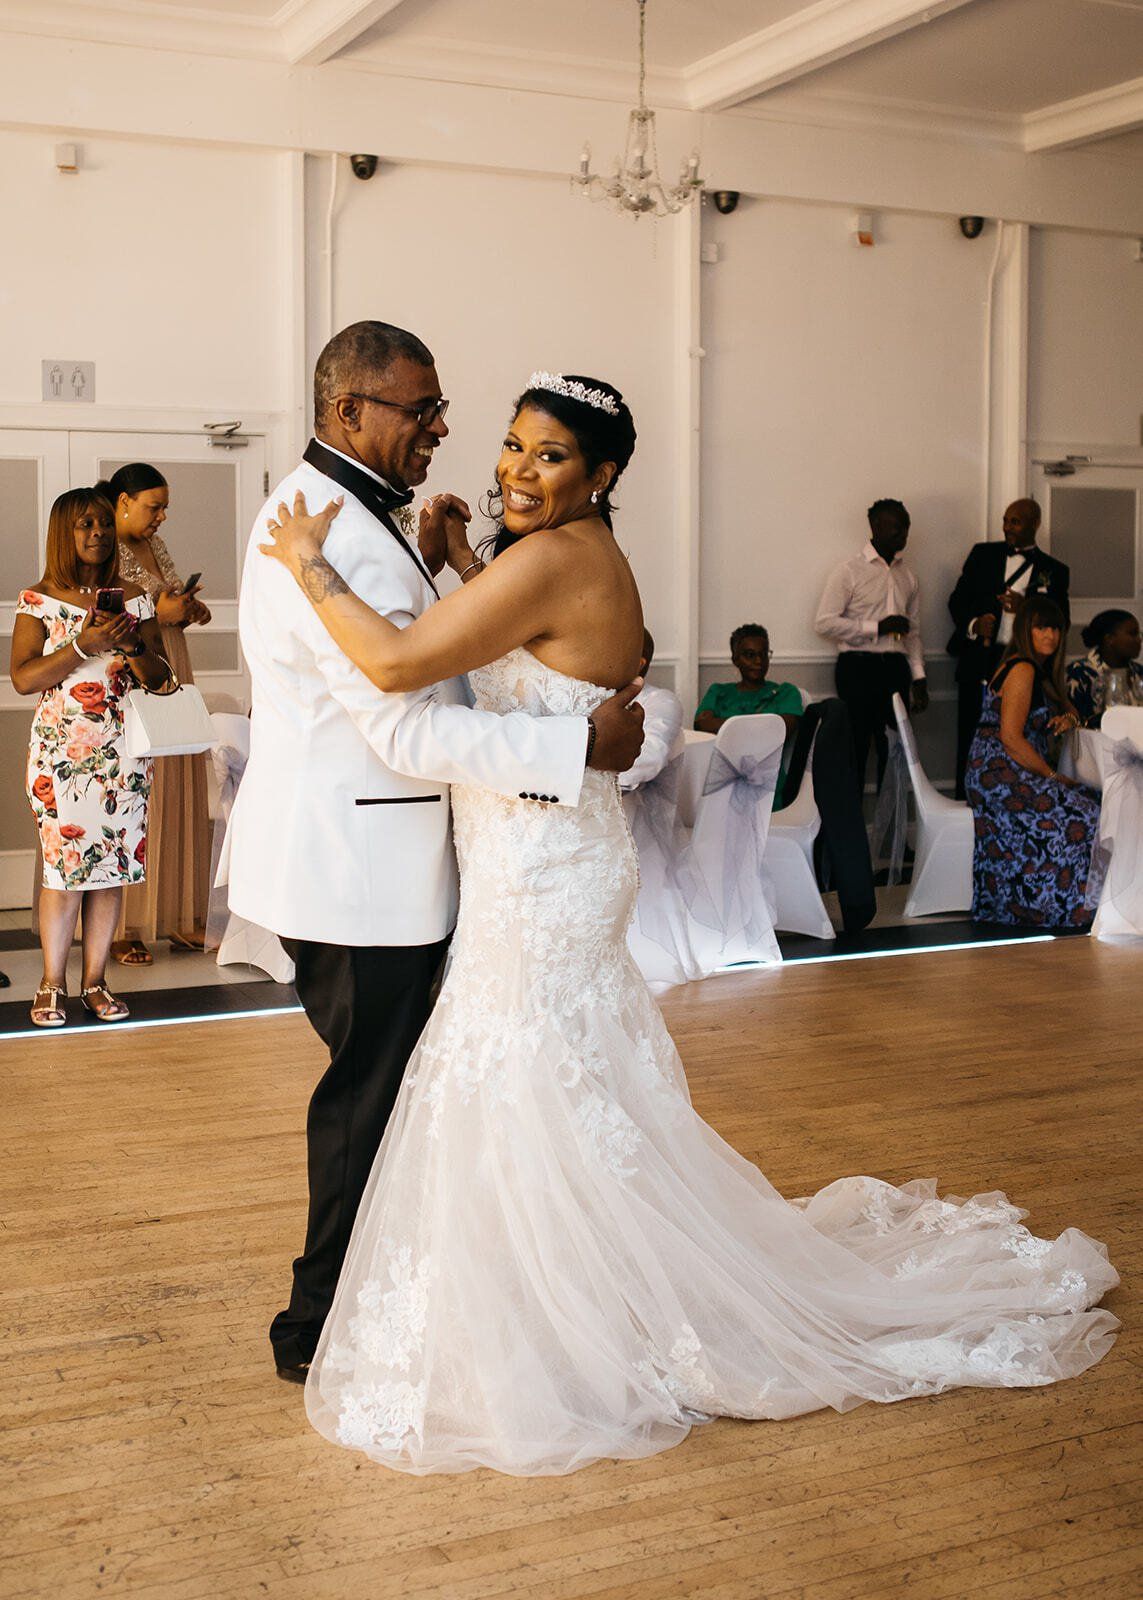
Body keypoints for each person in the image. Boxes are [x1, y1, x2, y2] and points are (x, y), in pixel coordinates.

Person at [260, 372, 1116, 1478]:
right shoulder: (559, 560)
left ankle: (573, 1320)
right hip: (544, 862)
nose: (518, 468)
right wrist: (461, 560)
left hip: (543, 873)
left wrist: (307, 563)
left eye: (549, 455)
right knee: (552, 1083)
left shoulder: (562, 560)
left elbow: (394, 664)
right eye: (514, 446)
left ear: (602, 474)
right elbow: (532, 647)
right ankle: (569, 1292)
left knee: (528, 1079)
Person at [223, 326, 646, 1388]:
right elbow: (406, 724)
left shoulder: (353, 518)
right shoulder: (323, 536)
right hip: (364, 867)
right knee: (377, 1100)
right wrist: (571, 745)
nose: (452, 433)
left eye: (534, 448)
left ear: (597, 478)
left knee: (448, 1089)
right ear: (350, 413)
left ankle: (450, 1297)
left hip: (454, 860)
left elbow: (481, 641)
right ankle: (318, 1327)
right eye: (425, 410)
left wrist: (445, 554)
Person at [11, 488, 170, 1026]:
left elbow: (162, 680)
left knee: (110, 869)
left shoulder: (135, 598)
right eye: (85, 524)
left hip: (124, 754)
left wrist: (131, 646)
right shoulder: (38, 600)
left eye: (104, 522)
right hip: (61, 753)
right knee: (63, 870)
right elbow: (23, 677)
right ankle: (51, 983)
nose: (98, 532)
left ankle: (95, 981)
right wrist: (82, 646)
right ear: (64, 531)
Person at [102, 463, 213, 964]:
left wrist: (187, 610)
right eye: (154, 506)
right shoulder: (101, 543)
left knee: (173, 785)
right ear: (122, 501)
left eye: (165, 506)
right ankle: (124, 925)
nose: (162, 517)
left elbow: (161, 600)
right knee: (136, 791)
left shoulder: (153, 545)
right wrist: (154, 612)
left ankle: (172, 916)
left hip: (170, 658)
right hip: (131, 667)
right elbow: (101, 610)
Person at [964, 597, 1099, 928]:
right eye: (1042, 627)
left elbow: (1064, 713)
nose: (1050, 635)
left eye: (1055, 628)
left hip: (1011, 766)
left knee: (1091, 803)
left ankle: (1052, 901)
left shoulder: (1041, 672)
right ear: (1026, 629)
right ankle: (1058, 906)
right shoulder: (1022, 668)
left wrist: (1067, 718)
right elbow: (1010, 737)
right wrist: (1052, 776)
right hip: (998, 771)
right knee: (1084, 813)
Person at [948, 498, 1069, 798]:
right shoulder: (982, 554)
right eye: (1005, 520)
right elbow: (957, 601)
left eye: (1015, 522)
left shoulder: (1054, 570)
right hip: (981, 660)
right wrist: (975, 624)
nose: (1007, 527)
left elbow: (1060, 619)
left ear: (1035, 524)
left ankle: (1016, 799)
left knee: (1020, 736)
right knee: (970, 739)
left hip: (1024, 663)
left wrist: (1026, 606)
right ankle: (968, 806)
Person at [815, 500, 928, 795]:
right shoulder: (848, 571)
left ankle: (892, 840)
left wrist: (919, 676)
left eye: (906, 527)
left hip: (896, 669)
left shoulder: (909, 576)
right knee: (856, 751)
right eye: (896, 527)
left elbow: (913, 631)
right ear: (876, 527)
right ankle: (849, 839)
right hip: (857, 668)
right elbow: (824, 623)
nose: (903, 534)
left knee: (895, 753)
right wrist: (877, 627)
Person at [694, 624, 801, 808]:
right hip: (720, 783)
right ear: (736, 659)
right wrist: (760, 726)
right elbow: (702, 725)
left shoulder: (785, 692)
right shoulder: (719, 692)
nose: (759, 661)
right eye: (750, 655)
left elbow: (783, 730)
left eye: (764, 654)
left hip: (767, 786)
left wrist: (727, 728)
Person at [618, 629, 683, 792]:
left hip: (632, 812)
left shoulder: (661, 700)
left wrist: (577, 776)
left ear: (638, 664)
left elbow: (650, 757)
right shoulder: (585, 695)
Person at [1066, 609, 1143, 728]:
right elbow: (1075, 725)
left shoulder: (1139, 672)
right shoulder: (1079, 674)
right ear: (1109, 639)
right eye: (1132, 634)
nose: (1139, 639)